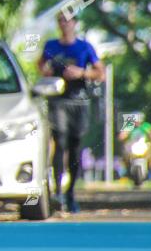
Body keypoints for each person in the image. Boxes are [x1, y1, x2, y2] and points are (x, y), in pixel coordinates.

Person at [37, 11, 105, 214]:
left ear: (75, 23)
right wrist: (45, 72)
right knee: (59, 142)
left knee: (75, 147)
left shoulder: (85, 47)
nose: (64, 24)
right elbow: (40, 63)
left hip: (79, 102)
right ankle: (57, 192)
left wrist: (82, 72)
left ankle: (70, 193)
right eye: (60, 21)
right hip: (58, 100)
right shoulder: (51, 46)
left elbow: (100, 73)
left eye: (67, 20)